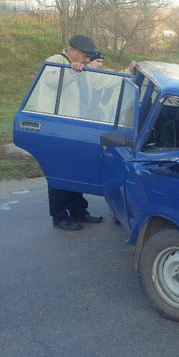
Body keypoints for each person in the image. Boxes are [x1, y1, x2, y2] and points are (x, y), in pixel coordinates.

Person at [43, 35, 106, 231]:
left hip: (75, 127)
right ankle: (60, 216)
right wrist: (73, 72)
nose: (87, 60)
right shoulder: (56, 61)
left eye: (89, 57)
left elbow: (100, 84)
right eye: (85, 56)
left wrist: (127, 73)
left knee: (76, 171)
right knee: (60, 172)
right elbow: (52, 82)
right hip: (57, 128)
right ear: (72, 52)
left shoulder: (81, 68)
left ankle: (79, 211)